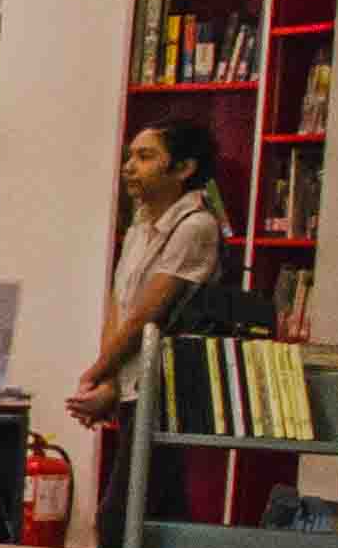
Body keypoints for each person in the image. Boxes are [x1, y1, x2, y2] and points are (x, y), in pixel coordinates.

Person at [68, 120, 230, 434]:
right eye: (130, 156)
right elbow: (119, 307)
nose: (129, 167)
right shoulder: (138, 226)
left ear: (183, 169)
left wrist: (92, 374)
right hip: (129, 384)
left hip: (164, 390)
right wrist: (108, 382)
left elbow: (147, 315)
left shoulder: (195, 226)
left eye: (145, 157)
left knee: (145, 467)